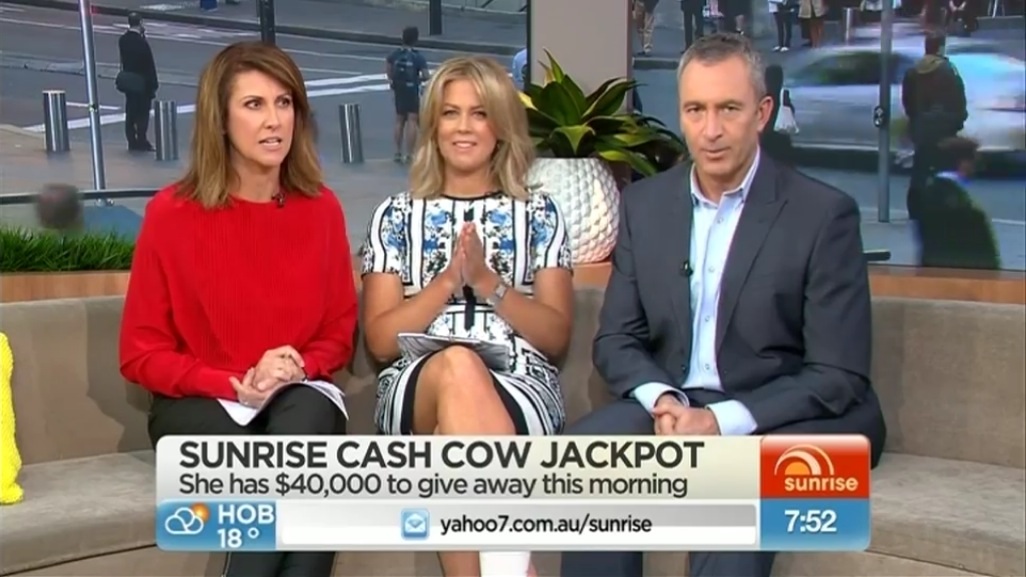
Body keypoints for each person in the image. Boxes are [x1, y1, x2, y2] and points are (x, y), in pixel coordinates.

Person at [559, 33, 886, 577]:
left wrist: (719, 422)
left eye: (728, 109)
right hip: (678, 403)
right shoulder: (645, 205)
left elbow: (838, 375)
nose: (710, 131)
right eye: (696, 110)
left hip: (787, 415)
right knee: (584, 457)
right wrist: (666, 401)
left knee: (732, 492)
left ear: (762, 113)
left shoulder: (822, 215)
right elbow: (616, 340)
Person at [119, 41, 358, 577]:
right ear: (221, 121)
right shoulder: (172, 214)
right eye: (254, 105)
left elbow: (338, 333)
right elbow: (140, 354)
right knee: (290, 479)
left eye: (284, 103)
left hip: (296, 398)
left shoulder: (321, 209)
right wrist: (234, 384)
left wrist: (293, 367)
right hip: (200, 406)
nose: (274, 121)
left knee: (308, 425)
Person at [360, 55, 573, 577]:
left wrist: (487, 282)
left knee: (450, 438)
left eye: (479, 114)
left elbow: (555, 336)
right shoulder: (395, 215)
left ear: (500, 127)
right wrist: (447, 282)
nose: (463, 127)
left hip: (521, 385)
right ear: (433, 126)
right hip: (418, 385)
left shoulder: (540, 214)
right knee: (458, 364)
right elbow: (381, 341)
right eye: (450, 113)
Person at [900, 31, 967, 220]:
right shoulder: (948, 70)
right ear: (941, 47)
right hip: (944, 127)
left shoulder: (913, 71)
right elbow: (958, 98)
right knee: (945, 169)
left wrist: (916, 120)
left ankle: (915, 208)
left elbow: (907, 100)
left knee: (920, 169)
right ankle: (943, 207)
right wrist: (959, 120)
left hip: (921, 127)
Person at [386, 26, 430, 164]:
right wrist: (418, 80)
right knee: (412, 120)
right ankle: (410, 154)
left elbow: (389, 70)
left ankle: (397, 152)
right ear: (415, 39)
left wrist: (394, 81)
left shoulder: (395, 54)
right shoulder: (417, 57)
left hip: (399, 90)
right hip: (412, 91)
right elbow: (426, 75)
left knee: (399, 120)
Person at [117, 13, 158, 152]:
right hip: (142, 82)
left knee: (130, 111)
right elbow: (148, 64)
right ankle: (141, 139)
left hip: (129, 81)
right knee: (142, 112)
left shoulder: (123, 40)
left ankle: (131, 140)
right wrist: (153, 84)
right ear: (140, 22)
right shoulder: (141, 43)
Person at [760, 64, 796, 164]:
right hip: (781, 136)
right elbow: (790, 110)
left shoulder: (763, 95)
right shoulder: (784, 94)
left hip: (766, 137)